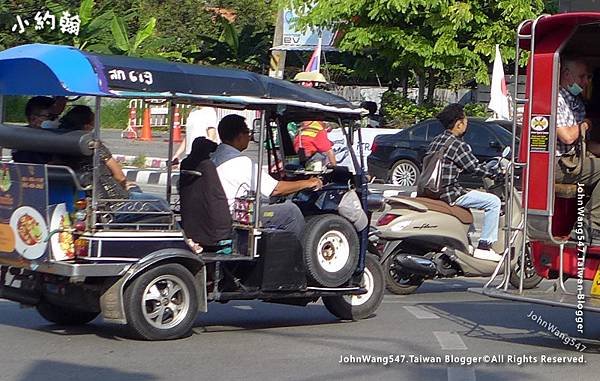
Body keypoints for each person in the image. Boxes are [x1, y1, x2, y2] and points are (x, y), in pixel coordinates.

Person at [211, 114, 322, 237]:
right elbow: (275, 189)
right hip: (237, 216)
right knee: (291, 211)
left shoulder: (215, 156)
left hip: (219, 213)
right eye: (248, 132)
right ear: (239, 136)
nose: (250, 136)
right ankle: (302, 254)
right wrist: (309, 183)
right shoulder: (240, 162)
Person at [59, 105, 171, 222]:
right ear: (87, 126)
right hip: (115, 205)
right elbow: (120, 177)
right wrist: (125, 187)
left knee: (135, 189)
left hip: (89, 203)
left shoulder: (60, 148)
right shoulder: (93, 145)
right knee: (162, 203)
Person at [426, 103, 502, 261]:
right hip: (449, 194)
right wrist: (494, 174)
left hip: (432, 191)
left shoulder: (437, 140)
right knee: (493, 202)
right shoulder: (457, 144)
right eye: (466, 121)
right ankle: (484, 246)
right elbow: (473, 167)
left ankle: (466, 243)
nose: (467, 125)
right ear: (459, 124)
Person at [555, 58, 600, 243]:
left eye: (588, 77)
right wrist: (586, 124)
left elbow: (584, 143)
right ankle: (590, 224)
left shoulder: (575, 102)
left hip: (574, 161)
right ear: (567, 75)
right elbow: (567, 136)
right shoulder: (554, 99)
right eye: (582, 77)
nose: (585, 82)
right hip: (558, 165)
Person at [12, 96, 64, 163]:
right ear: (33, 118)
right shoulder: (19, 137)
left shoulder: (57, 136)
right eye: (50, 116)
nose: (56, 120)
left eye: (57, 117)